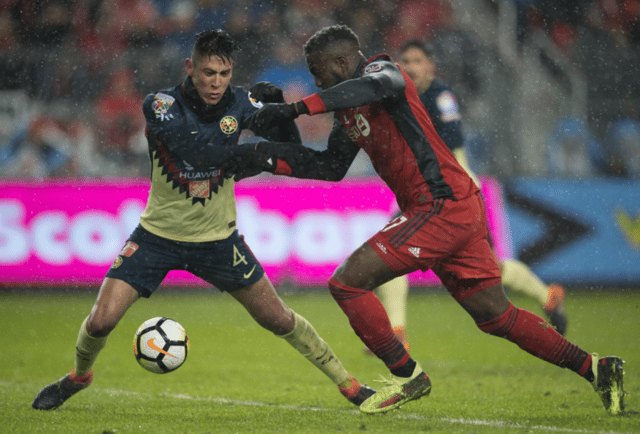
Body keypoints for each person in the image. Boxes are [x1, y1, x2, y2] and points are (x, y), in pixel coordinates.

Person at [222, 24, 625, 415]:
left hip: (440, 204)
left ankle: (407, 376)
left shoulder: (383, 72)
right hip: (451, 208)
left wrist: (295, 106)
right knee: (496, 316)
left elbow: (379, 87)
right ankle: (597, 368)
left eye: (318, 70)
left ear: (343, 61)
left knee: (346, 283)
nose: (315, 79)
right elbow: (328, 165)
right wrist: (264, 153)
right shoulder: (349, 111)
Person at [31, 29, 374, 411]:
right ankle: (79, 376)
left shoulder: (241, 102)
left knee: (278, 319)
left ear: (232, 72)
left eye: (224, 74)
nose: (216, 83)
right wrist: (251, 151)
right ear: (190, 67)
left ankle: (350, 386)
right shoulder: (160, 105)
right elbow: (192, 151)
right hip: (156, 236)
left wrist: (277, 114)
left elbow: (289, 150)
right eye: (208, 72)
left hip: (218, 241)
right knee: (100, 322)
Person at [363, 39, 571, 357]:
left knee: (478, 269)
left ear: (432, 66)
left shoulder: (439, 96)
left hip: (453, 191)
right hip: (423, 191)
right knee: (395, 259)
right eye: (406, 61)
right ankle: (397, 335)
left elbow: (444, 147)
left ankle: (546, 294)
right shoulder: (399, 98)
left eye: (418, 60)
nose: (412, 67)